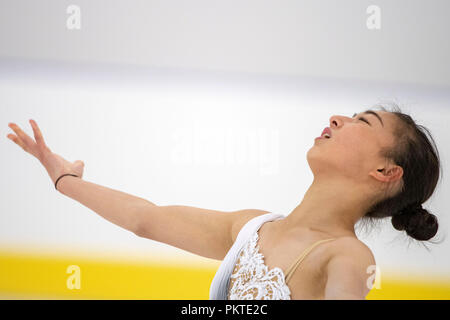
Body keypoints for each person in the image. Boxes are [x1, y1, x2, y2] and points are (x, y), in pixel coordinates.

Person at [6, 103, 441, 300]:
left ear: (386, 172)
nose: (336, 118)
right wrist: (64, 179)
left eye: (362, 120)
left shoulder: (347, 255)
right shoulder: (252, 228)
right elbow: (146, 219)